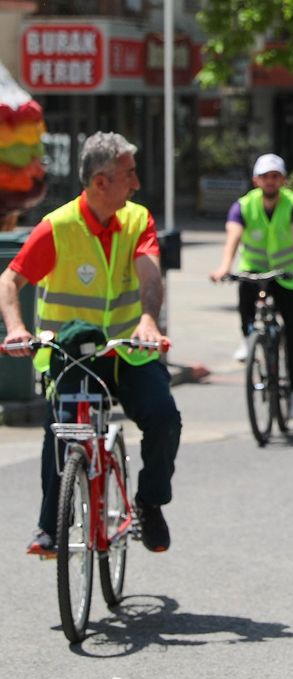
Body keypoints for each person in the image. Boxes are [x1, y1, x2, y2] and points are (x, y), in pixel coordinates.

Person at [0, 132, 180, 555]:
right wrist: (16, 328)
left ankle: (149, 503)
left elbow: (150, 275)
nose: (136, 184)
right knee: (59, 430)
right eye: (128, 174)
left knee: (164, 416)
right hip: (71, 355)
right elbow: (10, 280)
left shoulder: (137, 220)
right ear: (101, 181)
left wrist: (149, 321)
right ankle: (49, 527)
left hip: (127, 352)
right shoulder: (58, 227)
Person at [209, 153, 293, 420]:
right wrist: (224, 266)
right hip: (255, 271)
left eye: (275, 177)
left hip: (289, 274)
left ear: (283, 180)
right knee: (245, 296)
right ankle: (249, 339)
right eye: (265, 177)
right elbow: (233, 237)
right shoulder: (243, 206)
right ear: (256, 180)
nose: (270, 182)